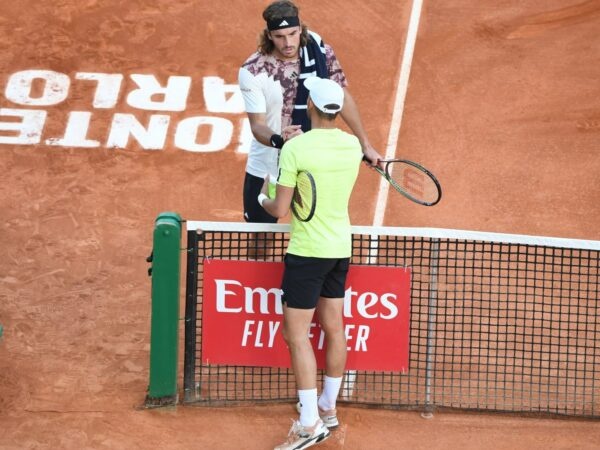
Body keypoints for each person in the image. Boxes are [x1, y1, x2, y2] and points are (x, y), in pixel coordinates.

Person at [259, 77, 362, 450]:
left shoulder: (296, 149)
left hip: (307, 253)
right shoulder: (352, 147)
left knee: (296, 335)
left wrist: (264, 194)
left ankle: (309, 423)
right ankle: (328, 409)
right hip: (340, 248)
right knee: (334, 327)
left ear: (310, 107)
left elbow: (280, 208)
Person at [239, 0, 381, 224]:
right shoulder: (253, 70)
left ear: (301, 29)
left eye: (292, 33)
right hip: (267, 165)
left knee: (314, 224)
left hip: (312, 160)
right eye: (279, 36)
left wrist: (366, 145)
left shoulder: (318, 48)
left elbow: (339, 95)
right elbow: (257, 126)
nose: (287, 42)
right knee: (260, 237)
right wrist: (281, 141)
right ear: (268, 35)